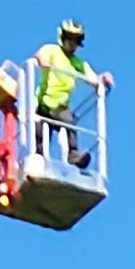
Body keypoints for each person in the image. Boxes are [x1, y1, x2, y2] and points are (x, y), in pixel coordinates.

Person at [34, 19, 104, 168]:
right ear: (63, 36)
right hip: (43, 103)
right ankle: (37, 158)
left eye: (76, 40)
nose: (72, 43)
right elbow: (41, 55)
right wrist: (43, 60)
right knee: (38, 135)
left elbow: (92, 77)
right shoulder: (52, 50)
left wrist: (102, 79)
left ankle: (73, 155)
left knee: (69, 122)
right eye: (69, 38)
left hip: (60, 106)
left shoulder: (77, 62)